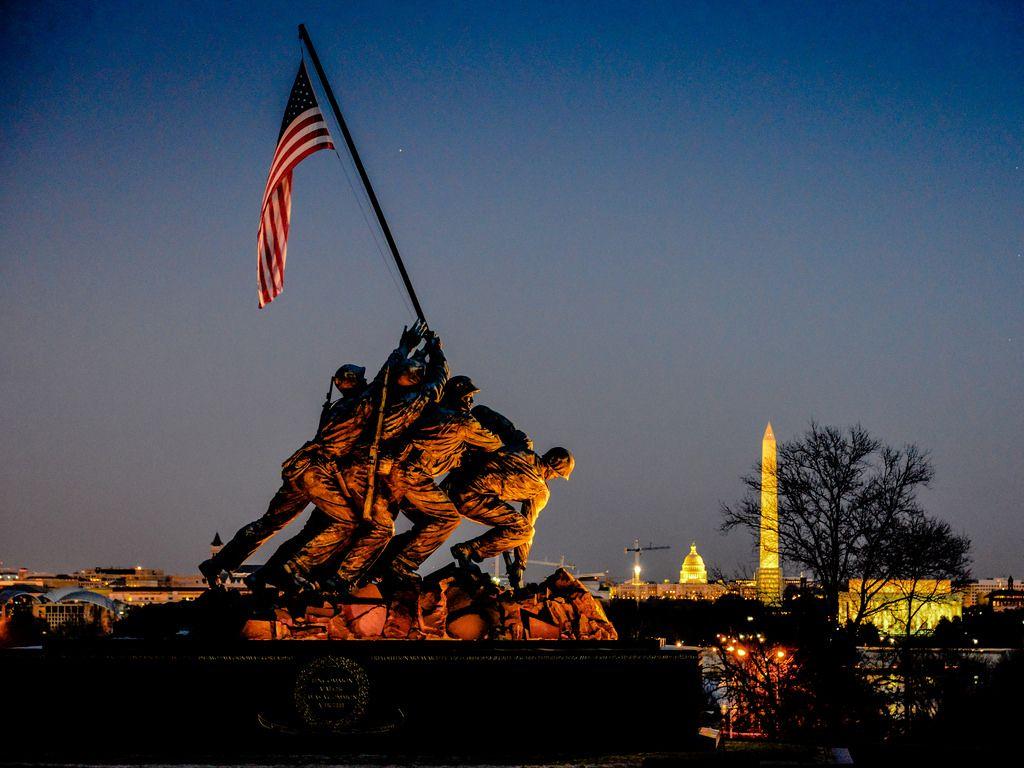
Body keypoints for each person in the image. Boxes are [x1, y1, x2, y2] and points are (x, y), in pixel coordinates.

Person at [269, 326, 449, 594]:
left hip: (352, 471)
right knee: (381, 528)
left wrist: (410, 349)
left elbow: (385, 376)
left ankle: (318, 572)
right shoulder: (413, 400)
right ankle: (329, 576)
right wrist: (437, 353)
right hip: (366, 473)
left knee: (352, 524)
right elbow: (438, 379)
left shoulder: (380, 399)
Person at [197, 361, 373, 588]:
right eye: (361, 378)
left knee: (269, 523)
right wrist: (403, 350)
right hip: (317, 475)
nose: (366, 381)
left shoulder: (339, 405)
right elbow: (378, 387)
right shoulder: (356, 406)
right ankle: (297, 567)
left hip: (301, 470)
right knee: (349, 521)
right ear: (355, 383)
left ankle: (217, 564)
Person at [375, 375, 504, 585]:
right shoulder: (464, 422)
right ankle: (402, 563)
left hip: (395, 472)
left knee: (428, 521)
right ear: (461, 398)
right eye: (469, 397)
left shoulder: (432, 411)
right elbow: (494, 444)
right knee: (447, 519)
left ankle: (383, 561)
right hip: (411, 476)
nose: (471, 402)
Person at [444, 445, 575, 589]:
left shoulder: (521, 451)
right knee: (524, 531)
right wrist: (520, 564)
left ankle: (469, 552)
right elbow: (527, 525)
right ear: (552, 471)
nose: (554, 478)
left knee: (511, 519)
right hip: (470, 499)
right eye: (557, 475)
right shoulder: (540, 489)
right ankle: (469, 549)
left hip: (452, 484)